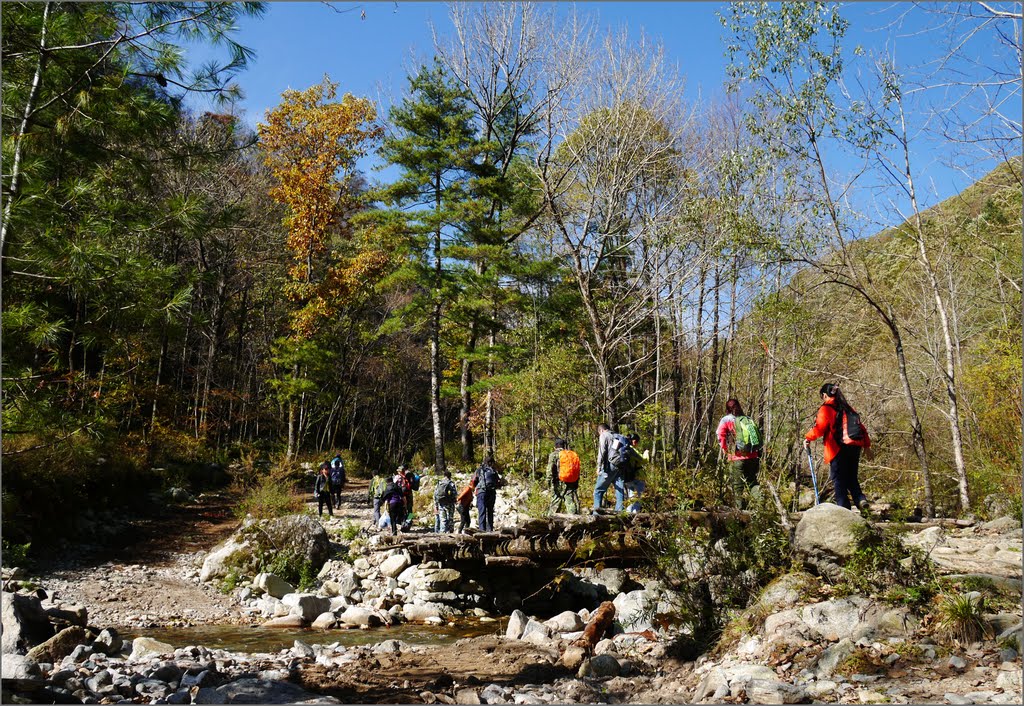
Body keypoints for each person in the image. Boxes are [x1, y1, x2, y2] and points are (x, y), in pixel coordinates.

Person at [804, 383, 872, 511]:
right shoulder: (848, 408)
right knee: (851, 477)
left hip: (837, 449)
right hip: (854, 447)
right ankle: (861, 500)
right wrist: (867, 446)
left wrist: (808, 437)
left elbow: (820, 428)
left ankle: (843, 510)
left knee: (839, 480)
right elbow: (862, 428)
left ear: (824, 395)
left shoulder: (826, 409)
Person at [716, 399, 761, 508]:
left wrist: (725, 449)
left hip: (737, 457)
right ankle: (761, 507)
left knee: (737, 486)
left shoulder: (726, 419)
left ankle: (739, 512)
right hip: (753, 456)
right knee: (752, 482)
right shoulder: (748, 419)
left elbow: (720, 433)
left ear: (727, 409)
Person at [592, 423, 627, 512]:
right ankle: (620, 513)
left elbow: (602, 451)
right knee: (619, 489)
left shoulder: (604, 435)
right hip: (620, 465)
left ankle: (596, 514)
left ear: (601, 430)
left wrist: (598, 466)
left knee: (598, 490)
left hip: (610, 465)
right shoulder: (618, 436)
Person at [548, 438, 580, 514]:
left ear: (555, 446)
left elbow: (549, 471)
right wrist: (576, 483)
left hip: (559, 482)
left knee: (556, 501)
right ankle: (574, 519)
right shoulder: (571, 455)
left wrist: (549, 483)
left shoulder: (554, 455)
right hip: (571, 481)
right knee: (570, 502)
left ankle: (551, 521)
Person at [472, 458, 502, 531]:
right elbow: (498, 482)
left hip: (481, 492)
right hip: (491, 492)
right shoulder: (493, 471)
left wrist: (476, 488)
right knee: (490, 511)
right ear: (491, 463)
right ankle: (490, 529)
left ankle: (482, 529)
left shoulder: (479, 470)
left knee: (482, 511)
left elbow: (473, 480)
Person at [624, 433, 647, 514]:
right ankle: (635, 515)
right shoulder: (631, 450)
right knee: (638, 499)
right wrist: (646, 452)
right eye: (637, 442)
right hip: (638, 477)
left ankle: (628, 515)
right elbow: (644, 460)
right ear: (634, 441)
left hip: (627, 478)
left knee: (630, 498)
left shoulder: (624, 449)